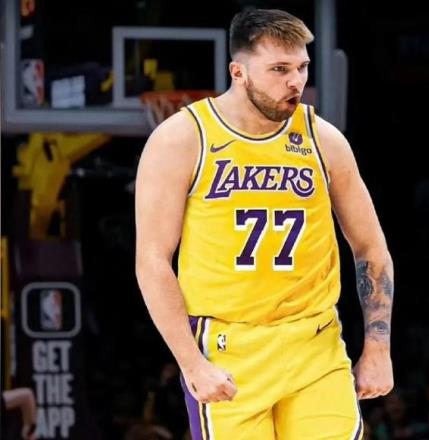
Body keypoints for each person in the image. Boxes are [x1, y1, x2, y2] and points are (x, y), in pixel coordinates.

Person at [135, 8, 394, 440]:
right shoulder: (182, 139)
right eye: (279, 69)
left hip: (315, 343)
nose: (296, 82)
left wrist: (378, 348)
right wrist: (191, 363)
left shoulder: (324, 140)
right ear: (238, 72)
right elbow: (152, 260)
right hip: (229, 348)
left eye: (302, 68)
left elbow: (371, 248)